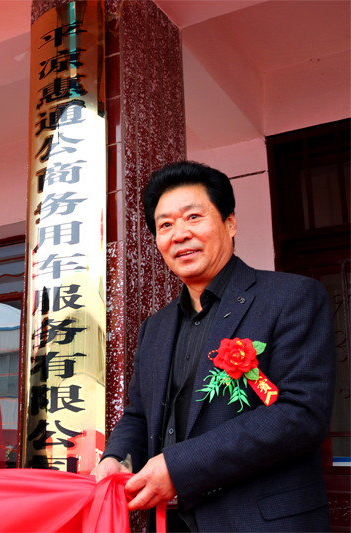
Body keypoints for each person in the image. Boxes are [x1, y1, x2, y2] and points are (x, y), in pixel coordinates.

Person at [93, 161, 335, 531]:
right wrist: (116, 459)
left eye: (193, 217)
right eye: (165, 225)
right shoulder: (154, 328)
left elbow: (300, 414)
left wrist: (179, 467)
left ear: (230, 223)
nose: (179, 234)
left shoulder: (291, 297)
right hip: (170, 523)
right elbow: (139, 415)